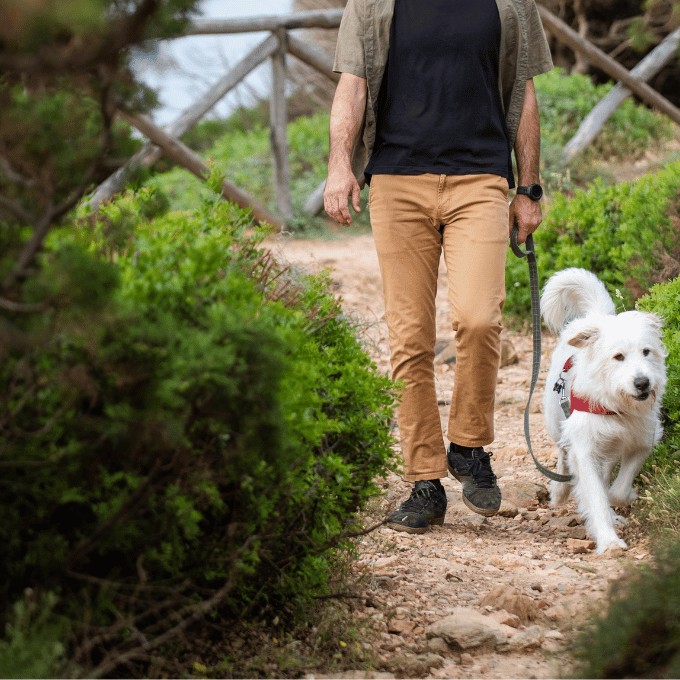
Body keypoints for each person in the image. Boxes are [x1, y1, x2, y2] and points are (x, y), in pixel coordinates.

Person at [324, 0, 553, 534]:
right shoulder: (371, 3)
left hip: (481, 180)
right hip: (398, 181)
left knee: (479, 319)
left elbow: (524, 95)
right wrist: (340, 165)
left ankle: (469, 446)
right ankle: (424, 482)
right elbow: (352, 86)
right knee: (409, 335)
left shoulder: (513, 4)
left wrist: (529, 188)